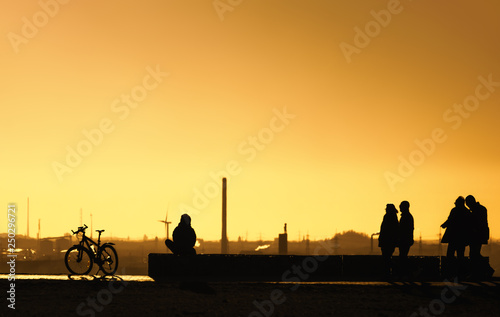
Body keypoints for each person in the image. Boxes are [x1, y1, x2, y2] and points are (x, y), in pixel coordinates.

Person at [441, 196, 471, 277]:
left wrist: (444, 225)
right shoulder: (466, 212)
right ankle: (460, 273)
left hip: (453, 238)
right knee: (460, 255)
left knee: (450, 255)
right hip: (462, 238)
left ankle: (450, 272)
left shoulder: (454, 211)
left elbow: (450, 220)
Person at [379, 204, 399, 278]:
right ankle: (388, 272)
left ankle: (389, 272)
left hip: (387, 241)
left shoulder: (388, 216)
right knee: (387, 257)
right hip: (390, 241)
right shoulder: (394, 217)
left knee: (386, 257)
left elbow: (384, 229)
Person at [398, 201, 414, 276]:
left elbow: (404, 229)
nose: (399, 207)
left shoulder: (406, 217)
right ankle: (405, 272)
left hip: (404, 240)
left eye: (401, 206)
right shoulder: (408, 216)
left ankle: (405, 272)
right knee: (403, 256)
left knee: (402, 256)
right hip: (406, 239)